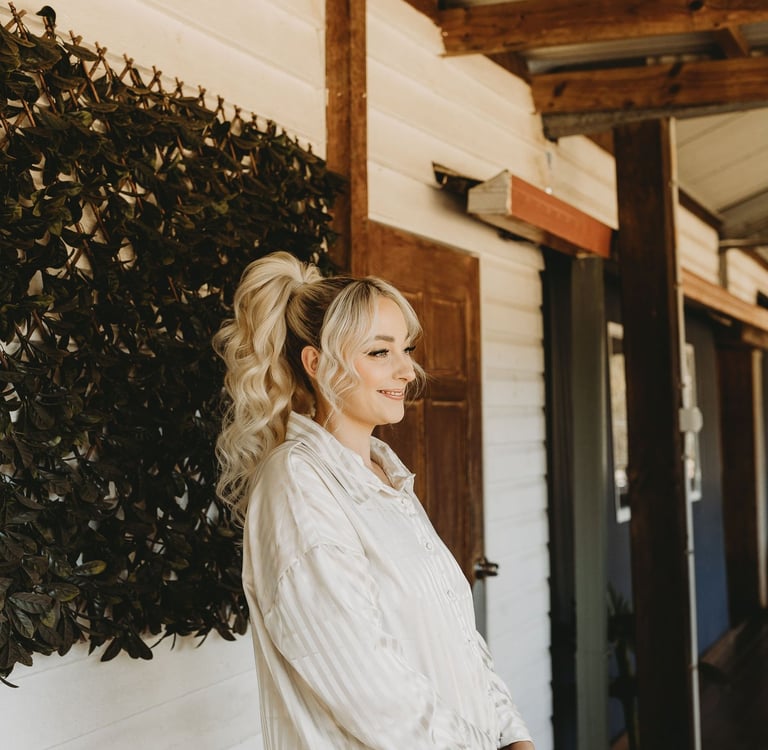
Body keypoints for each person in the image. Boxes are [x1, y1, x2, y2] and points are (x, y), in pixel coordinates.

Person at [214, 251, 534, 750]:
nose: (408, 370)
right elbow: (367, 687)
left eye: (405, 349)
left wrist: (513, 735)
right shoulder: (298, 483)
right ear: (316, 364)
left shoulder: (386, 478)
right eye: (380, 353)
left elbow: (460, 643)